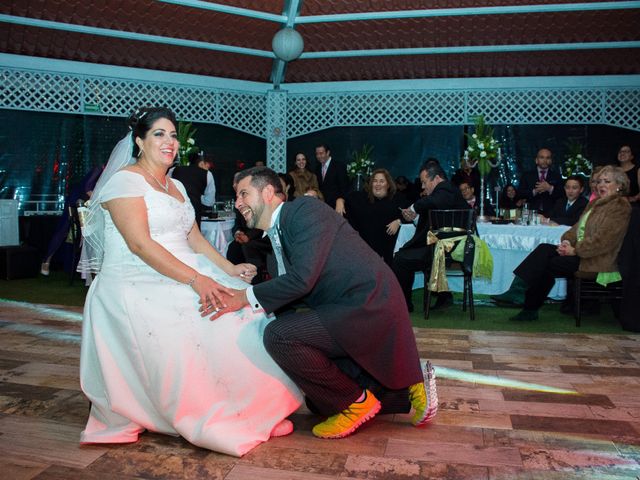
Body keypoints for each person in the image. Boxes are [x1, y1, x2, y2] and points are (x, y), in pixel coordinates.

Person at [78, 107, 302, 457]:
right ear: (139, 141)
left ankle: (253, 409)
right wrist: (197, 281)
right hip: (136, 279)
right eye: (159, 134)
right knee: (207, 313)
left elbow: (194, 238)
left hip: (184, 266)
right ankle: (216, 413)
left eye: (172, 135)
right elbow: (140, 244)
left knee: (243, 307)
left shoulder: (178, 184)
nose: (169, 142)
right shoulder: (125, 181)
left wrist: (228, 269)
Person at [211, 166, 438, 439]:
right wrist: (252, 314)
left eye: (243, 194)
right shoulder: (278, 233)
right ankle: (405, 389)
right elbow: (292, 296)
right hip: (343, 307)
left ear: (268, 192)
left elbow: (301, 280)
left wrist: (244, 298)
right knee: (317, 403)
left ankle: (356, 405)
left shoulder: (304, 210)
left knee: (279, 337)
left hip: (366, 304)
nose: (237, 203)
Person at [497, 166, 631, 321]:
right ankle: (521, 295)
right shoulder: (594, 204)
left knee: (547, 264)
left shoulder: (620, 206)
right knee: (544, 250)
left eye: (607, 181)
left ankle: (526, 302)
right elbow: (575, 229)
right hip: (582, 254)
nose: (601, 185)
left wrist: (575, 250)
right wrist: (567, 241)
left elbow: (604, 241)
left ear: (619, 185)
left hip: (596, 260)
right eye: (599, 181)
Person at [392, 161, 469, 312]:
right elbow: (434, 220)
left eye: (424, 182)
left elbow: (434, 203)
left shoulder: (446, 189)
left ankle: (404, 305)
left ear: (436, 179)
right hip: (440, 245)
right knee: (403, 256)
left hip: (445, 248)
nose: (422, 186)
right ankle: (442, 295)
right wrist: (414, 217)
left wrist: (414, 207)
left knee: (401, 259)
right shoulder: (443, 193)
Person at [40, 165, 103, 276]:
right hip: (77, 201)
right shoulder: (98, 169)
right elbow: (88, 188)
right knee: (62, 230)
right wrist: (97, 202)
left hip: (90, 206)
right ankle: (46, 260)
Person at [346, 168, 409, 266]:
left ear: (388, 184)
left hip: (390, 255)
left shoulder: (398, 199)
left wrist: (399, 221)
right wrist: (340, 200)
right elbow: (347, 203)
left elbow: (412, 214)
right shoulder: (362, 199)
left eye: (381, 181)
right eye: (375, 181)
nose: (378, 184)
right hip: (366, 254)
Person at [170, 152, 216, 226]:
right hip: (194, 214)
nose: (207, 169)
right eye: (207, 167)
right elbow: (209, 202)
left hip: (173, 211)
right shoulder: (207, 174)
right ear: (201, 163)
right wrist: (198, 196)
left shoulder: (174, 170)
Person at [517, 148, 564, 215]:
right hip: (531, 213)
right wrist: (535, 191)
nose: (545, 160)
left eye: (548, 158)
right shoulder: (527, 176)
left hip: (552, 214)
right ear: (536, 160)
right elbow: (520, 193)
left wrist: (550, 188)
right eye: (542, 157)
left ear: (550, 161)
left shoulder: (556, 176)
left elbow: (562, 194)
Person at [315, 143, 349, 215]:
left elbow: (345, 188)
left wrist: (341, 200)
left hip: (337, 208)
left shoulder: (339, 166)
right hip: (322, 208)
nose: (318, 156)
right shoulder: (317, 168)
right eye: (317, 154)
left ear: (328, 152)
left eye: (321, 153)